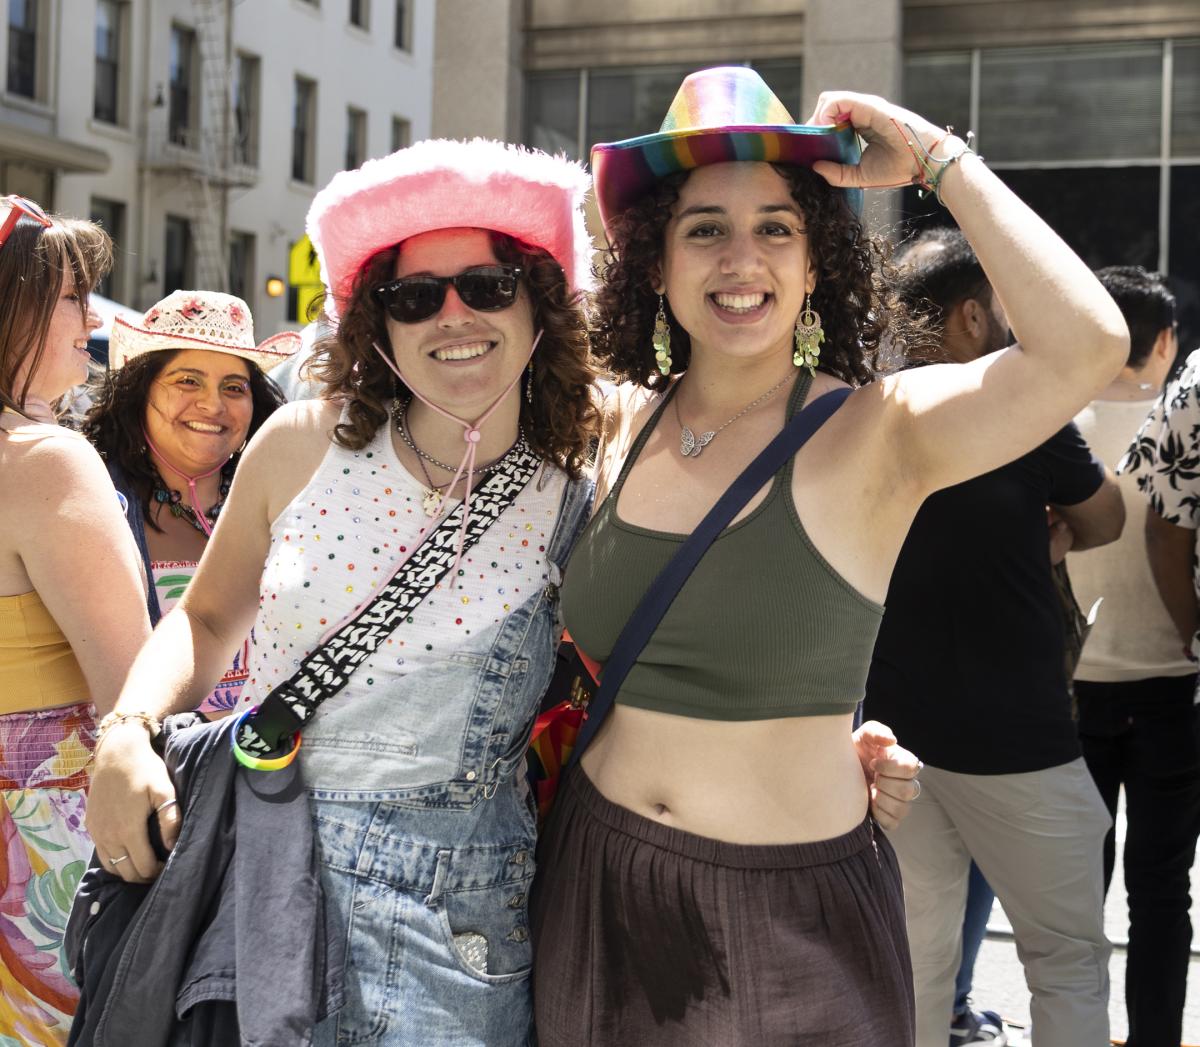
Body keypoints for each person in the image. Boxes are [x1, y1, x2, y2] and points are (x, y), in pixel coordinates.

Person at [530, 66, 1129, 1047]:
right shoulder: (613, 422)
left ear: (815, 264)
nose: (742, 258)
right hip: (598, 883)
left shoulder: (882, 430)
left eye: (776, 228)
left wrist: (937, 158)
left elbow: (1086, 346)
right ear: (656, 265)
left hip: (792, 916)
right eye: (704, 229)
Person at [863, 225, 1125, 1047]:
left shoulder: (863, 414)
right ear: (971, 317)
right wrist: (1044, 533)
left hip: (897, 740)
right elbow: (1107, 517)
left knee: (914, 966)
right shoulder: (1022, 410)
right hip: (1022, 743)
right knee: (1066, 963)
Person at [0, 196, 149, 1044]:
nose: (92, 320)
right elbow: (134, 693)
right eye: (71, 297)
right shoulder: (47, 461)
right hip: (43, 864)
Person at [82, 291, 293, 715]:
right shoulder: (93, 504)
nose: (213, 405)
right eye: (188, 381)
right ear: (141, 391)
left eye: (233, 387)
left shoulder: (289, 504)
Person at [1103, 270, 1200, 1047]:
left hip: (1073, 691)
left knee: (1072, 892)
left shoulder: (1046, 425)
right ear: (1164, 340)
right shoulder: (1175, 414)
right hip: (1174, 686)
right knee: (1163, 891)